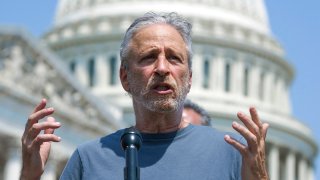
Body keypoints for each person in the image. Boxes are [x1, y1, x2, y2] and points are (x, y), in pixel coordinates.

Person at [20, 12, 269, 180]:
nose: (162, 68)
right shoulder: (89, 158)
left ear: (190, 77)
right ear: (125, 77)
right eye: (148, 57)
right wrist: (30, 175)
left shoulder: (232, 154)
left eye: (174, 58)